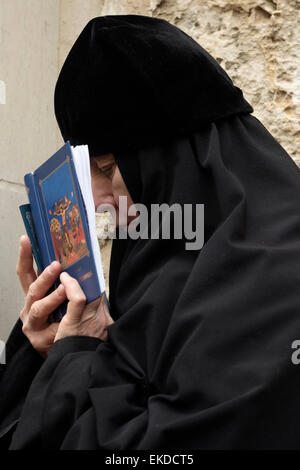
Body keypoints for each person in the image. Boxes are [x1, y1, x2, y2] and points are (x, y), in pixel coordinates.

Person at [1, 14, 300, 449]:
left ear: (174, 160)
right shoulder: (168, 261)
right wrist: (58, 347)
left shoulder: (275, 284)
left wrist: (77, 358)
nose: (99, 199)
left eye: (108, 169)